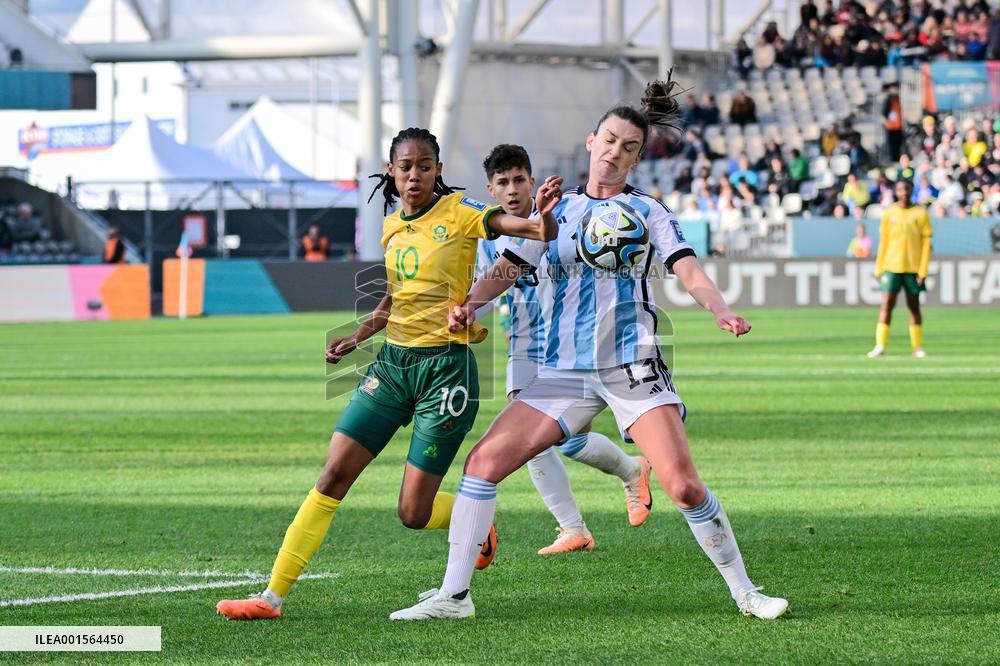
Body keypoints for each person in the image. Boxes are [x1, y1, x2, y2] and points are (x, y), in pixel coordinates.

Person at [391, 78, 789, 622]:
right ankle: (454, 597)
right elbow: (510, 267)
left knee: (684, 486)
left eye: (629, 147)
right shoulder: (559, 210)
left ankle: (746, 592)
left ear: (637, 158)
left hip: (632, 364)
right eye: (609, 140)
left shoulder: (648, 212)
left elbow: (687, 267)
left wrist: (717, 307)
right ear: (590, 141)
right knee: (483, 464)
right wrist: (470, 302)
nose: (615, 152)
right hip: (563, 370)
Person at [216, 127, 561, 620]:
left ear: (438, 170)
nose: (415, 175)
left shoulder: (462, 214)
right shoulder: (392, 225)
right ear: (392, 173)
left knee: (412, 514)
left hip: (446, 372)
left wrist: (540, 217)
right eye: (406, 167)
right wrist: (359, 335)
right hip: (392, 366)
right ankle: (271, 597)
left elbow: (532, 233)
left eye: (425, 166)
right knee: (333, 473)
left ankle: (474, 524)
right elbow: (397, 294)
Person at [476, 144, 654, 556]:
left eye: (519, 179)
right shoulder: (487, 238)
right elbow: (488, 292)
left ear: (532, 182)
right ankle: (573, 527)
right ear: (492, 190)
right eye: (502, 183)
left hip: (570, 342)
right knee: (526, 437)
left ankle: (632, 471)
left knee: (570, 441)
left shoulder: (557, 222)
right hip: (524, 341)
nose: (512, 189)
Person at [868, 179, 931, 359]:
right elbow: (884, 242)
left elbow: (926, 244)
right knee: (886, 305)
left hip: (912, 267)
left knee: (914, 307)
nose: (904, 193)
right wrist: (879, 267)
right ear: (896, 192)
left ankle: (917, 347)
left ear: (912, 190)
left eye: (907, 189)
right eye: (900, 189)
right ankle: (880, 346)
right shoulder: (889, 213)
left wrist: (923, 270)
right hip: (891, 266)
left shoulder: (920, 213)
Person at [883, 84, 904, 162]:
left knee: (898, 144)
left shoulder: (898, 99)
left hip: (898, 126)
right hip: (891, 127)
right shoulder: (888, 100)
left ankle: (897, 158)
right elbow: (884, 112)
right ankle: (892, 159)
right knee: (891, 145)